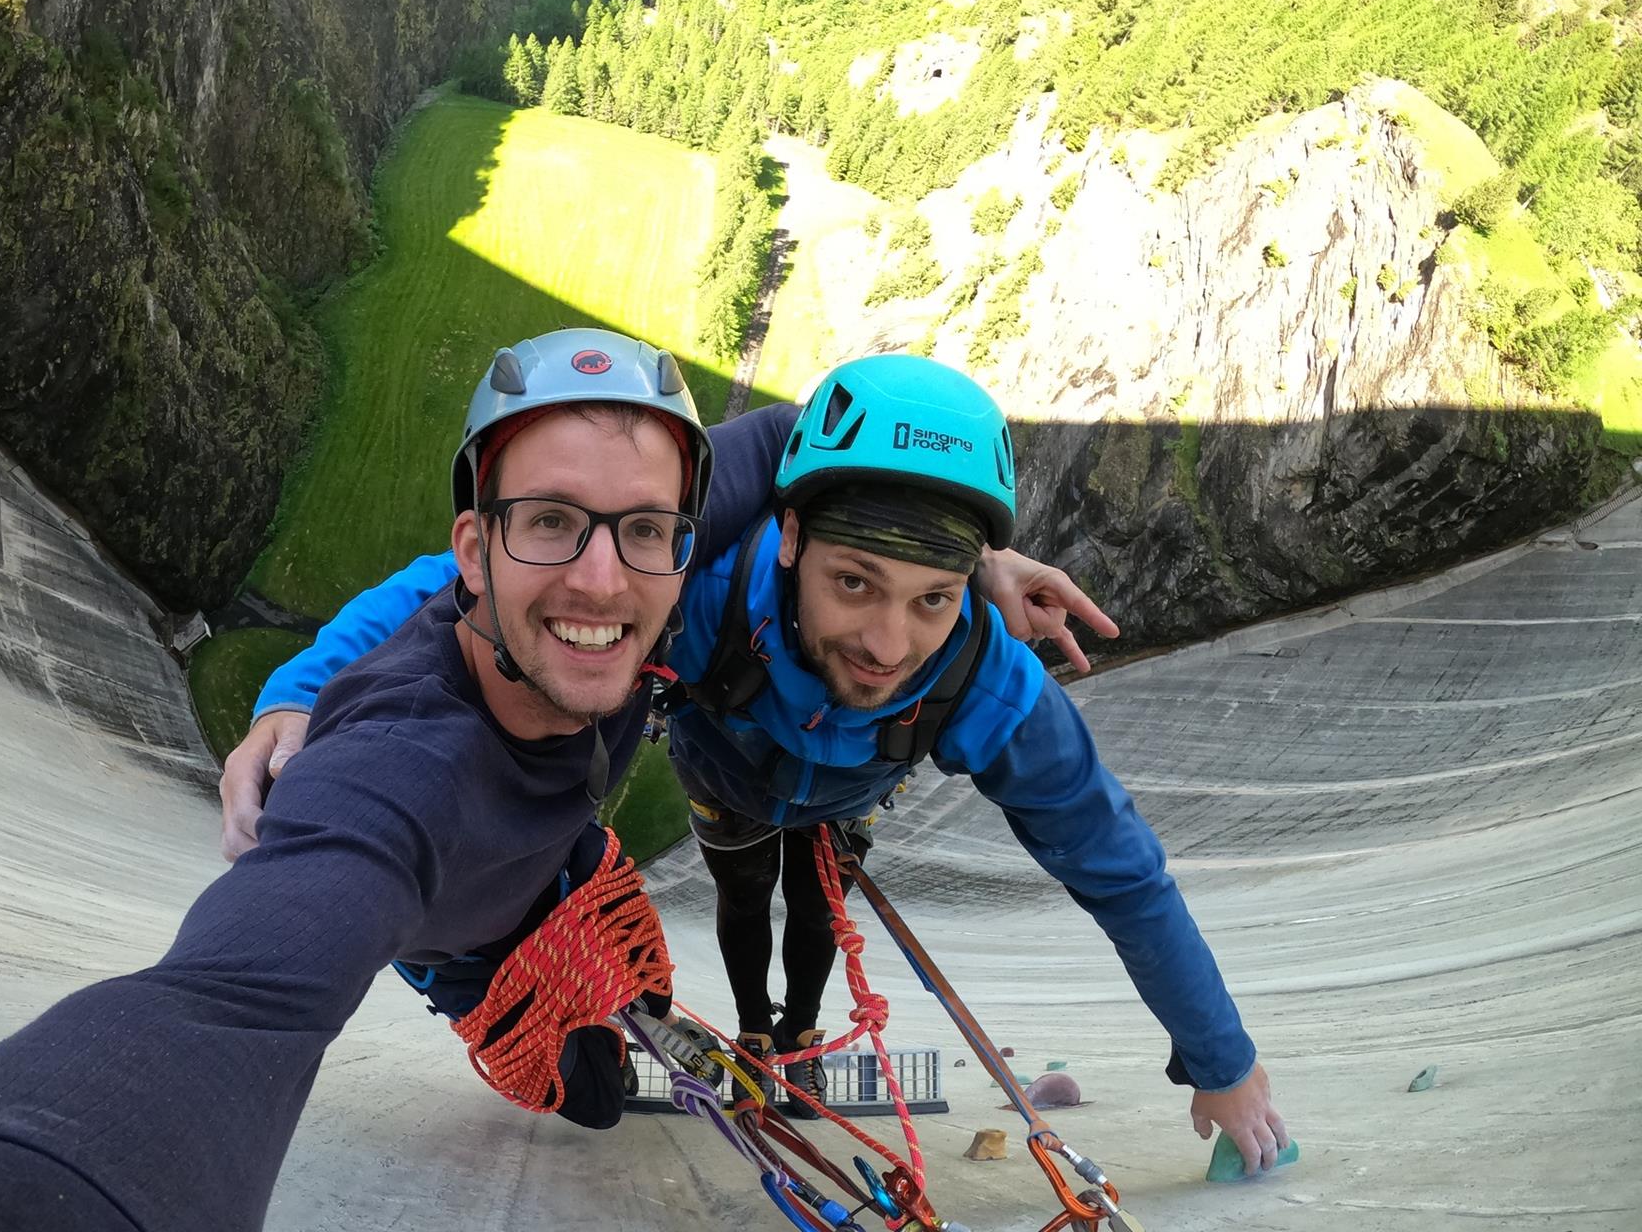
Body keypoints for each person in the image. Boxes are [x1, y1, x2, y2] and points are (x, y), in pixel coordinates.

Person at [0, 328, 787, 1232]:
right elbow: (233, 999)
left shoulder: (630, 561)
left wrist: (294, 688)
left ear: (678, 537)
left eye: (644, 531)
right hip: (473, 943)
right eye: (551, 522)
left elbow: (799, 434)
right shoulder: (400, 769)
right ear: (474, 554)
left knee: (641, 990)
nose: (604, 581)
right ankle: (626, 1048)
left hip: (558, 854)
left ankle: (644, 1019)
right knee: (598, 1097)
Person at [225, 354, 1293, 1172]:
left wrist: (1224, 1061)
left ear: (970, 582)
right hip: (747, 777)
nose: (888, 644)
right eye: (854, 584)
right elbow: (469, 583)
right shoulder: (695, 583)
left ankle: (795, 1034)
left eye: (932, 598)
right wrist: (302, 695)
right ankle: (752, 1030)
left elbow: (1119, 867)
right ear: (786, 538)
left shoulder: (985, 678)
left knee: (812, 914)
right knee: (747, 901)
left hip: (772, 777)